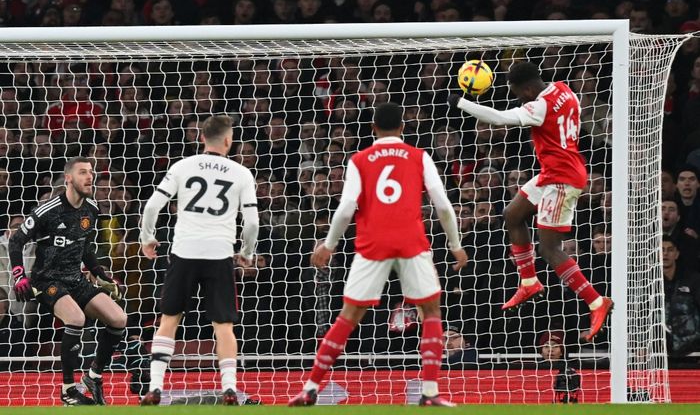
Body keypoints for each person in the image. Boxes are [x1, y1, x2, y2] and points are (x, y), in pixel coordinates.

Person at [288, 102, 467, 407]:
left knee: (348, 317)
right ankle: (431, 391)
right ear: (402, 128)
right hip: (412, 242)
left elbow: (345, 209)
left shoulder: (359, 159)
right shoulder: (419, 156)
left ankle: (310, 387)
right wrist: (455, 244)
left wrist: (328, 245)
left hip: (372, 245)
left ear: (373, 129)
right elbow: (443, 204)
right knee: (432, 312)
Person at [449, 62, 613, 342]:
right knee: (512, 215)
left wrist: (461, 103)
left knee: (549, 249)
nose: (518, 98)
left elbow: (499, 118)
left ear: (527, 88)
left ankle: (596, 301)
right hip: (553, 172)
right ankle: (529, 281)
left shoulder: (539, 107)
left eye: (517, 93)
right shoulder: (566, 90)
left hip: (561, 180)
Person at [138, 115, 259, 406]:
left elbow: (153, 205)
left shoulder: (182, 166)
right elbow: (252, 222)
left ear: (201, 137)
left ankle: (155, 387)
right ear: (229, 140)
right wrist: (247, 252)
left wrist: (147, 238)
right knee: (223, 325)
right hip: (219, 254)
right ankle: (229, 387)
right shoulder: (241, 173)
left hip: (184, 252)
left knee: (169, 320)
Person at [8, 157, 127, 406]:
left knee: (118, 319)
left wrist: (99, 272)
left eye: (91, 172)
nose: (90, 177)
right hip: (46, 280)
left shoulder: (92, 209)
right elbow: (16, 241)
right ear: (69, 178)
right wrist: (19, 274)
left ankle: (93, 377)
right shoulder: (47, 210)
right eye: (83, 172)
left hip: (75, 278)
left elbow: (84, 247)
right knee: (76, 319)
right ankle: (68, 390)